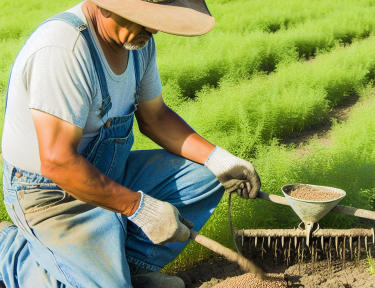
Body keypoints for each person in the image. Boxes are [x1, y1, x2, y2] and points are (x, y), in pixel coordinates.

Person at [0, 0, 261, 287]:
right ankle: (12, 250)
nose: (154, 29)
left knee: (206, 176)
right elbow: (59, 161)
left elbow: (156, 117)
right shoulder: (64, 50)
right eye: (143, 18)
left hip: (108, 174)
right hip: (51, 196)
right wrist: (140, 208)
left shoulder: (138, 43)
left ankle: (127, 268)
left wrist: (217, 159)